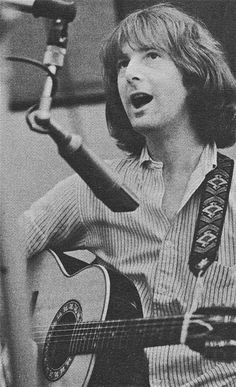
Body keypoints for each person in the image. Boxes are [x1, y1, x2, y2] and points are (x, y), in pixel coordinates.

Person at [19, 3, 236, 387]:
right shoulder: (91, 187)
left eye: (151, 57)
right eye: (121, 63)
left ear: (193, 74)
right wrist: (15, 344)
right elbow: (8, 251)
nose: (130, 74)